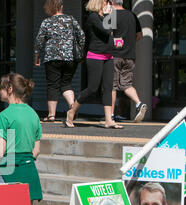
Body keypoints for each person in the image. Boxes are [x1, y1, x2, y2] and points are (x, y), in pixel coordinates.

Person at [0, 73, 43, 205]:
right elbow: (36, 151)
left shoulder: (3, 117)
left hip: (8, 172)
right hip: (29, 171)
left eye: (0, 87)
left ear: (9, 89)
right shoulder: (34, 115)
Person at [65, 0, 123, 129]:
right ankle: (72, 111)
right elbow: (106, 31)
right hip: (95, 56)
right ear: (99, 3)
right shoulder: (93, 17)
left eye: (109, 2)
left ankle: (108, 120)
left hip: (108, 55)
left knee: (108, 88)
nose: (108, 4)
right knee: (92, 88)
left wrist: (117, 40)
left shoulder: (107, 16)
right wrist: (110, 16)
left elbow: (113, 32)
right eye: (105, 2)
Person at [34, 0, 85, 122]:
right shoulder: (70, 19)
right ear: (61, 7)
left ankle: (51, 115)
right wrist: (79, 49)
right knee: (66, 83)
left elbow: (39, 41)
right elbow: (82, 36)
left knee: (53, 85)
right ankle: (72, 109)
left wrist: (37, 56)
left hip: (52, 57)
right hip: (70, 58)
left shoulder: (46, 22)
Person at [110, 0, 147, 123]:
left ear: (111, 2)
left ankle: (110, 115)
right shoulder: (132, 15)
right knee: (127, 84)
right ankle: (139, 103)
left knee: (112, 86)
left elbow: (107, 34)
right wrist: (128, 44)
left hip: (115, 55)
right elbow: (139, 35)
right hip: (130, 55)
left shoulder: (112, 15)